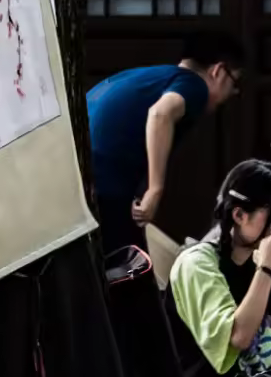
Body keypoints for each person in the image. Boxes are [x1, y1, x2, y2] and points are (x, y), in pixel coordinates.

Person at [169, 160, 271, 377]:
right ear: (239, 215)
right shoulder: (197, 264)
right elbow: (237, 336)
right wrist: (267, 267)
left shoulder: (263, 267)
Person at [86, 31, 245, 249]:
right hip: (105, 186)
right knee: (130, 262)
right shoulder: (194, 85)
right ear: (218, 71)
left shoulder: (145, 77)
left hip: (78, 180)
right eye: (235, 82)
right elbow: (160, 114)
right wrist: (155, 190)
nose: (234, 92)